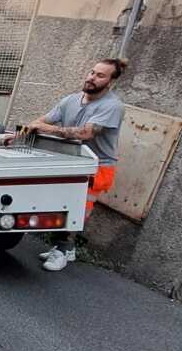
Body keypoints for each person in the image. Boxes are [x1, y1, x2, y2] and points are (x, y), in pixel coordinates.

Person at [12, 57, 127, 272]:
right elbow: (43, 120)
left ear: (111, 82)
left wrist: (47, 129)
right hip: (71, 161)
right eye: (92, 72)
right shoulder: (71, 100)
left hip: (97, 166)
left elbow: (85, 133)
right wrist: (20, 134)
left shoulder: (113, 106)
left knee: (77, 209)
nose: (92, 78)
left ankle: (63, 250)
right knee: (60, 204)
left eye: (100, 75)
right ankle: (66, 247)